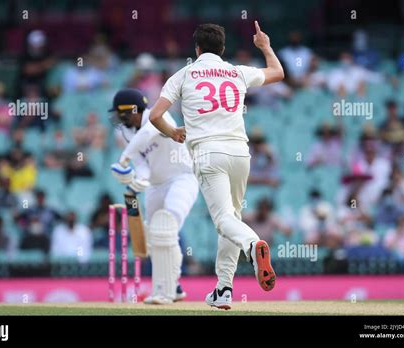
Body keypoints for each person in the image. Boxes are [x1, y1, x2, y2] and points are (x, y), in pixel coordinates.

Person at [149, 22, 284, 309]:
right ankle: (224, 289)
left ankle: (252, 244)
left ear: (196, 49)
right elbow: (278, 73)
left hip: (209, 153)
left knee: (224, 220)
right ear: (222, 49)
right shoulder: (236, 72)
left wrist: (173, 132)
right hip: (240, 154)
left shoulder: (183, 75)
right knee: (230, 218)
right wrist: (265, 47)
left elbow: (154, 116)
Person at [109, 88, 198, 304]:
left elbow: (148, 133)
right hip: (156, 186)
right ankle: (170, 287)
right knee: (154, 235)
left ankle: (166, 290)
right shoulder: (127, 132)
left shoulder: (158, 115)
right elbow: (142, 165)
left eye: (123, 114)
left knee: (166, 226)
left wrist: (124, 157)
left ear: (133, 110)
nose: (120, 119)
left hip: (182, 178)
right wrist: (138, 180)